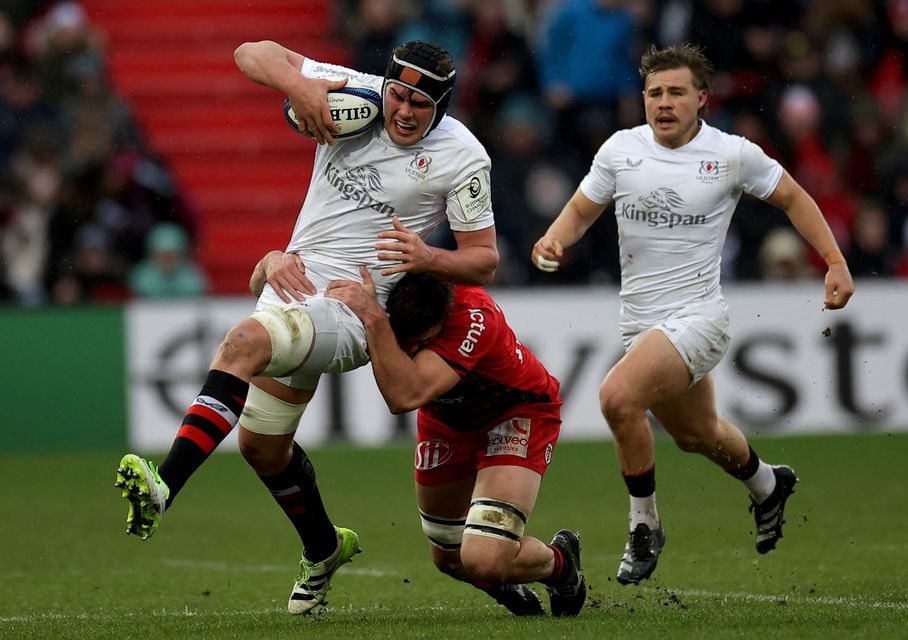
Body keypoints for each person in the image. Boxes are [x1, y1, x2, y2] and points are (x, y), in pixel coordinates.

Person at [114, 39, 499, 616]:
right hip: (290, 282)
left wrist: (427, 256)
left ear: (442, 107)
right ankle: (323, 548)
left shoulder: (463, 156)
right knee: (262, 449)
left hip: (352, 310)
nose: (403, 111)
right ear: (386, 83)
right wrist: (300, 87)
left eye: (421, 104)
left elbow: (484, 257)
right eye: (398, 93)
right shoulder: (356, 93)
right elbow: (249, 52)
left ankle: (165, 485)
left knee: (242, 342)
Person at [530, 43, 855, 585]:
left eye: (676, 92)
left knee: (616, 397)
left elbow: (795, 197)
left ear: (701, 99)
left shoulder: (732, 154)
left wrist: (836, 262)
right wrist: (553, 240)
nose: (664, 102)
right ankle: (767, 484)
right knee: (698, 434)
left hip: (699, 317)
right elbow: (582, 210)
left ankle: (644, 525)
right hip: (641, 322)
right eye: (655, 92)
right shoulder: (619, 150)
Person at [323, 266, 586, 617]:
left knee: (484, 558)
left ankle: (561, 565)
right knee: (449, 557)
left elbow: (404, 395)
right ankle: (505, 582)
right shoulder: (386, 297)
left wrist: (374, 319)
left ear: (445, 317)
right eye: (407, 337)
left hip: (513, 414)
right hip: (446, 421)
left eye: (425, 341)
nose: (413, 348)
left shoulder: (473, 317)